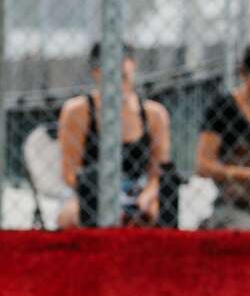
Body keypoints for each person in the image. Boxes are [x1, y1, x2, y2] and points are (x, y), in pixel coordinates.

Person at [56, 44, 171, 228]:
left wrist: (146, 197)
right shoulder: (77, 111)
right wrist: (104, 196)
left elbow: (159, 172)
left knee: (156, 212)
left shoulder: (154, 113)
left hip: (137, 191)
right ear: (96, 72)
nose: (118, 83)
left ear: (133, 66)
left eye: (123, 76)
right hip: (89, 192)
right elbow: (69, 172)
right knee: (71, 214)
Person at [197, 37, 250, 230]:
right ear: (243, 73)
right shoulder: (223, 108)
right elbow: (203, 165)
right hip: (235, 204)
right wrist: (244, 174)